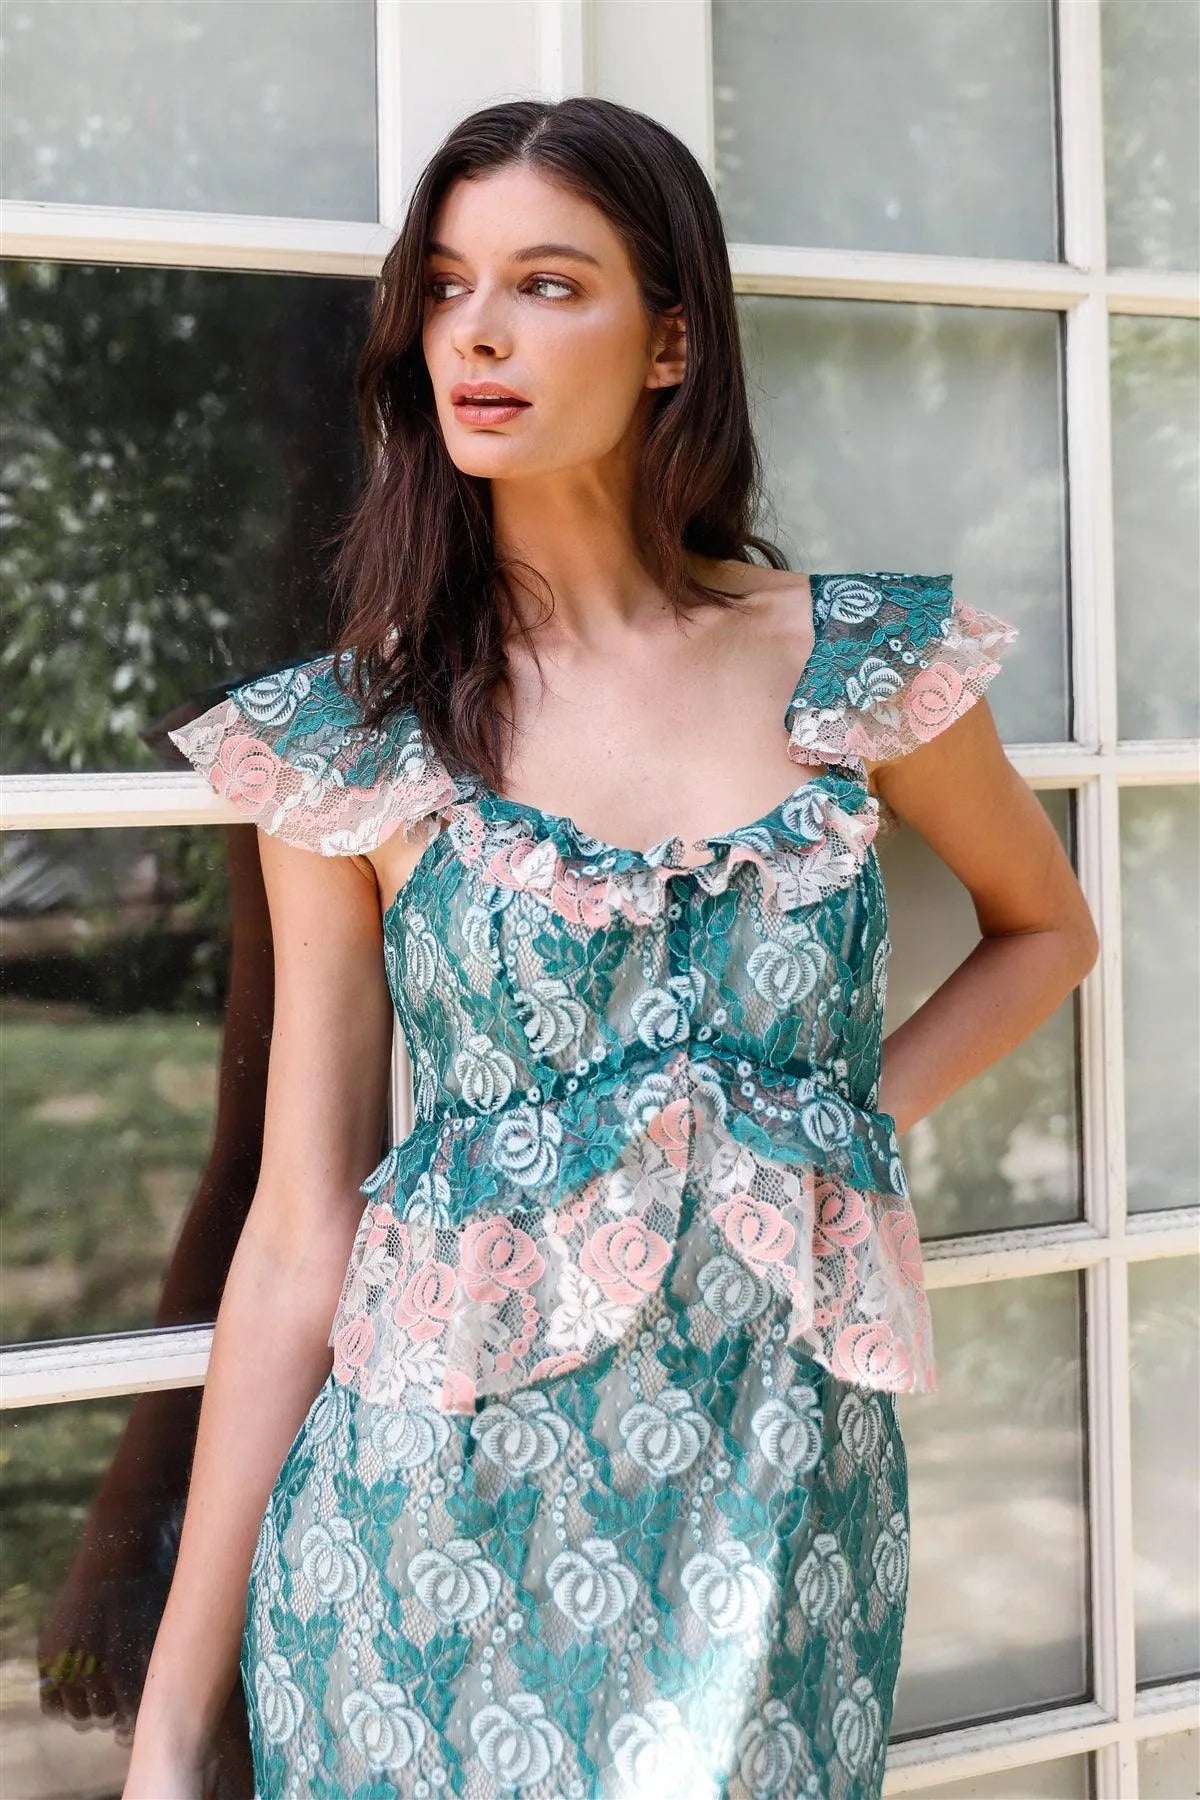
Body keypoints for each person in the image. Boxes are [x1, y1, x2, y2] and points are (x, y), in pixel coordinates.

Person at [123, 95, 1099, 1800]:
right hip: (413, 1560)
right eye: (445, 287)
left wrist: (817, 1123)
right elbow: (298, 1232)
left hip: (777, 1528)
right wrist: (169, 1729)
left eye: (547, 284)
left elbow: (1048, 931)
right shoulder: (354, 740)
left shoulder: (857, 664)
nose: (477, 333)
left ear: (671, 341)